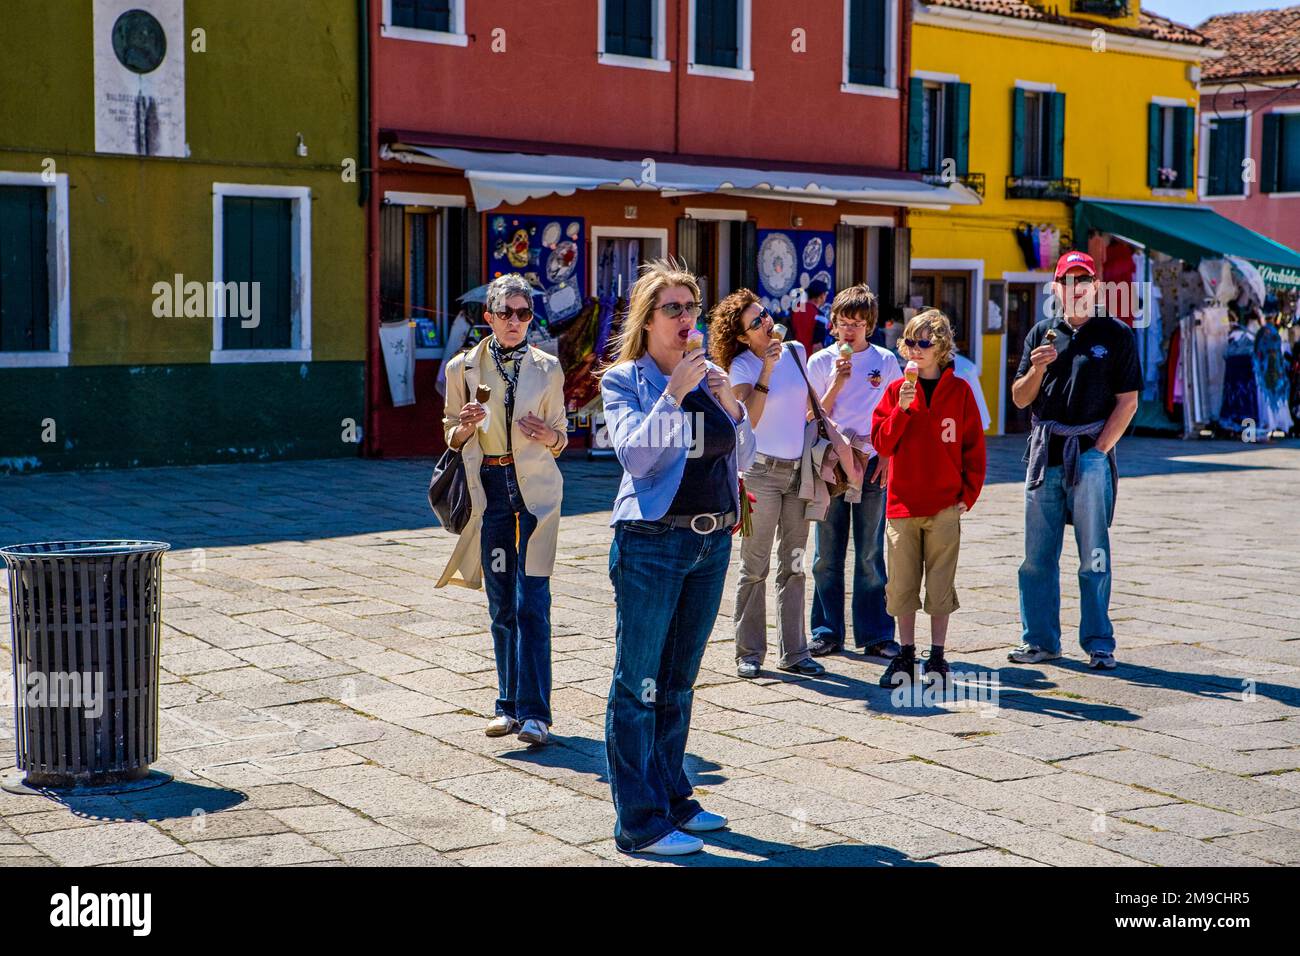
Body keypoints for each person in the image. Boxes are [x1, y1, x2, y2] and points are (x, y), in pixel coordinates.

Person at [599, 258, 756, 856]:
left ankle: (673, 798)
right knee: (638, 682)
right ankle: (638, 821)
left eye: (692, 308)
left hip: (711, 539)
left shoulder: (711, 373)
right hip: (653, 542)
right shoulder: (625, 382)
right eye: (674, 309)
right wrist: (674, 395)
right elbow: (637, 459)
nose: (687, 319)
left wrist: (735, 410)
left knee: (679, 682)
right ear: (647, 321)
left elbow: (741, 458)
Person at [438, 273, 568, 744]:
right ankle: (506, 706)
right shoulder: (462, 369)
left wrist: (547, 435)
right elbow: (450, 434)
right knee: (501, 604)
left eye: (524, 313)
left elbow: (562, 437)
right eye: (507, 313)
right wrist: (466, 426)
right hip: (490, 487)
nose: (516, 322)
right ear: (489, 316)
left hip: (534, 488)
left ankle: (536, 715)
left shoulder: (548, 367)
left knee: (533, 600)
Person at [1009, 251, 1141, 670]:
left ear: (1096, 287)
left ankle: (1099, 642)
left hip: (1089, 454)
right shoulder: (1041, 335)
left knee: (1094, 556)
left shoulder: (1116, 334)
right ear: (1056, 289)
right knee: (1036, 559)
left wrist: (1099, 452)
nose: (1076, 288)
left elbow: (1128, 402)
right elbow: (1020, 399)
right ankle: (1041, 641)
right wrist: (1036, 370)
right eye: (1068, 281)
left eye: (1084, 280)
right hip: (1044, 454)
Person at [711, 290, 825, 680]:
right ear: (743, 337)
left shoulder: (795, 351)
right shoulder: (740, 366)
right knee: (754, 566)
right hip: (760, 473)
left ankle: (795, 651)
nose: (766, 323)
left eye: (764, 315)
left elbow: (807, 407)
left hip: (798, 472)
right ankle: (749, 652)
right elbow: (750, 420)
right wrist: (766, 371)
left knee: (794, 565)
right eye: (755, 322)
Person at [871, 310, 986, 686]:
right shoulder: (894, 390)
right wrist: (902, 410)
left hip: (943, 506)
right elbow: (882, 443)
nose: (914, 350)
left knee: (939, 585)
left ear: (941, 347)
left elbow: (974, 449)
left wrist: (967, 495)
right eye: (909, 342)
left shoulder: (961, 390)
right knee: (901, 586)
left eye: (923, 343)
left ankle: (937, 656)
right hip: (902, 503)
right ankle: (905, 654)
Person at [805, 284, 903, 659]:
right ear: (832, 324)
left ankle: (876, 633)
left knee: (870, 553)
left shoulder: (886, 360)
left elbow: (897, 412)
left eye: (858, 324)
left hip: (873, 459)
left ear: (870, 326)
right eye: (845, 323)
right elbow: (812, 415)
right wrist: (838, 381)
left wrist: (890, 455)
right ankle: (826, 630)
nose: (850, 331)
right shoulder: (818, 363)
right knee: (826, 554)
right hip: (830, 460)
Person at [790, 279, 830, 352]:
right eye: (825, 294)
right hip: (809, 359)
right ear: (822, 295)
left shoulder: (795, 310)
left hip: (793, 355)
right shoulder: (819, 316)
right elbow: (817, 346)